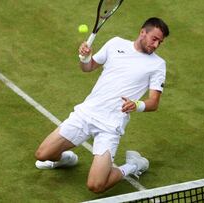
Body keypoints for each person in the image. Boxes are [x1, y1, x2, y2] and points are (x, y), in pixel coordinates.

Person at [35, 17, 170, 193]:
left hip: (110, 126)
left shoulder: (158, 65)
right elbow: (88, 67)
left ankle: (133, 166)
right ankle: (65, 159)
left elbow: (153, 103)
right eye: (154, 39)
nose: (156, 45)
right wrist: (85, 57)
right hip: (86, 114)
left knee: (96, 186)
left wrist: (136, 105)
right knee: (42, 155)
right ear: (142, 32)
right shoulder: (115, 43)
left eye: (160, 42)